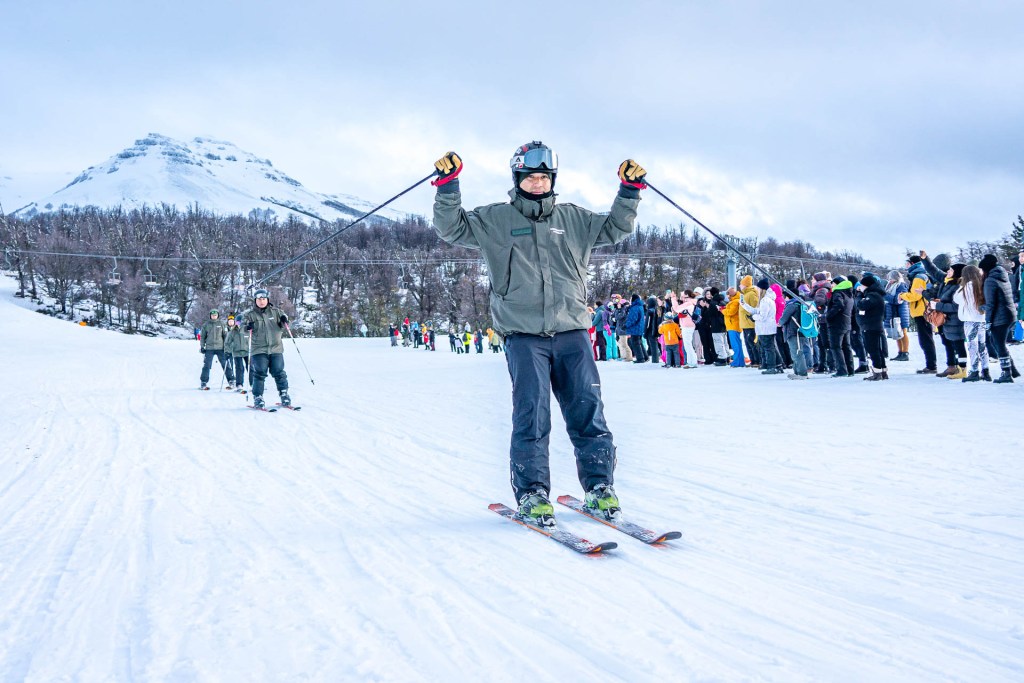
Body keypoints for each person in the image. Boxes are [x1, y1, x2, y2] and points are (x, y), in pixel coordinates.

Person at [432, 141, 642, 526]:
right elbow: (451, 227)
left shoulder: (574, 219)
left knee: (588, 411)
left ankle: (599, 487)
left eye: (544, 177)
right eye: (530, 178)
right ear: (518, 179)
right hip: (524, 334)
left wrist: (629, 191)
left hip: (571, 331)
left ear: (553, 180)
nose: (538, 183)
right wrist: (448, 186)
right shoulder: (494, 219)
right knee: (532, 415)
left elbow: (616, 227)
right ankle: (532, 493)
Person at [243, 289, 291, 409]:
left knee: (279, 372)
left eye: (264, 299)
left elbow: (285, 322)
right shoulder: (250, 315)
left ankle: (284, 394)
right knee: (260, 373)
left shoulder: (276, 312)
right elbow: (242, 328)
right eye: (259, 299)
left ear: (267, 300)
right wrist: (247, 327)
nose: (262, 301)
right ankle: (258, 397)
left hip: (276, 348)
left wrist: (284, 320)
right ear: (255, 301)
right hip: (259, 349)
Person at [979, 254, 1019, 383]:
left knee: (998, 344)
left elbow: (991, 304)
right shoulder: (1002, 275)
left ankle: (1006, 373)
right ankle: (1012, 370)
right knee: (997, 342)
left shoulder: (990, 280)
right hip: (1009, 314)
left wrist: (988, 321)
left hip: (1000, 317)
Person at [900, 254, 937, 374]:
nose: (906, 265)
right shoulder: (919, 275)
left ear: (912, 264)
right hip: (923, 311)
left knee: (926, 340)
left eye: (907, 263)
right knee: (926, 339)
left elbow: (915, 295)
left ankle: (931, 366)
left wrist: (902, 295)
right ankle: (931, 365)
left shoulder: (918, 276)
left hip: (922, 311)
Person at [953, 265, 990, 382]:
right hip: (982, 319)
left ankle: (974, 371)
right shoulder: (982, 285)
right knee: (982, 346)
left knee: (972, 346)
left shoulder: (966, 287)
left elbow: (956, 299)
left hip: (970, 321)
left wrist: (961, 285)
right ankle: (985, 371)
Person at [743, 278, 781, 374]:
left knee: (768, 348)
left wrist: (753, 317)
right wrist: (745, 305)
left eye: (758, 288)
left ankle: (772, 367)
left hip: (766, 328)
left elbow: (762, 316)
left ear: (762, 289)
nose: (757, 290)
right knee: (770, 347)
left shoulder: (765, 300)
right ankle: (778, 365)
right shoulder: (767, 299)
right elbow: (758, 311)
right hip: (767, 327)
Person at [857, 274, 889, 381]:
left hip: (870, 325)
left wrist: (859, 296)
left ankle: (877, 372)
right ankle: (882, 371)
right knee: (877, 349)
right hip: (874, 325)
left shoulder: (872, 295)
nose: (860, 287)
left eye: (861, 285)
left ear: (866, 285)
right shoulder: (876, 294)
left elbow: (861, 305)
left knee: (872, 349)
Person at [779, 279, 810, 379]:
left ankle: (801, 373)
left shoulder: (792, 305)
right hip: (801, 331)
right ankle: (797, 372)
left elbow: (783, 319)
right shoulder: (800, 303)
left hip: (793, 332)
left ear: (789, 296)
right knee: (797, 352)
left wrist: (779, 323)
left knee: (796, 353)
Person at [825, 276, 855, 377]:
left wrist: (828, 315)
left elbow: (839, 305)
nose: (831, 286)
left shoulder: (838, 293)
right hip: (846, 323)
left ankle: (841, 370)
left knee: (836, 347)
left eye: (833, 283)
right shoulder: (849, 294)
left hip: (836, 323)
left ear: (837, 284)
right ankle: (850, 369)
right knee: (846, 347)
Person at [884, 271, 911, 361]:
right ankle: (900, 352)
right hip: (894, 312)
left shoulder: (901, 285)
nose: (889, 280)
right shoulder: (890, 285)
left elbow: (897, 300)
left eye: (891, 278)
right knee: (897, 333)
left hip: (901, 311)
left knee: (903, 332)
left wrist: (885, 295)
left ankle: (905, 352)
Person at [198, 308, 228, 390]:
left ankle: (231, 380)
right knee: (207, 365)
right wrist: (202, 346)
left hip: (220, 348)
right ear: (210, 316)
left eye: (215, 315)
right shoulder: (206, 325)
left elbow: (226, 336)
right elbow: (202, 337)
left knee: (225, 364)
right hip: (209, 348)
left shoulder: (222, 324)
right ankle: (203, 382)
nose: (214, 316)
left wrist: (226, 347)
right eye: (212, 315)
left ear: (218, 315)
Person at [224, 314, 250, 392]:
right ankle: (239, 384)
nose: (239, 324)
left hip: (247, 351)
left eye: (241, 322)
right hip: (236, 352)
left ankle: (254, 383)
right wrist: (227, 352)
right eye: (237, 322)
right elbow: (227, 343)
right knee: (239, 368)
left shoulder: (247, 330)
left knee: (250, 367)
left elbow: (256, 338)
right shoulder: (232, 331)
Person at [738, 276, 761, 368]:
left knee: (752, 343)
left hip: (750, 323)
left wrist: (749, 315)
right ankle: (753, 360)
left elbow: (755, 307)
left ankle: (757, 360)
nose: (739, 286)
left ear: (745, 285)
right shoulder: (744, 295)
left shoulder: (751, 294)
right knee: (748, 343)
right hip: (745, 323)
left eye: (741, 284)